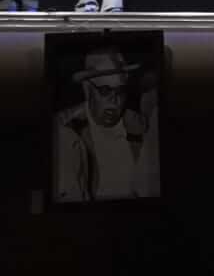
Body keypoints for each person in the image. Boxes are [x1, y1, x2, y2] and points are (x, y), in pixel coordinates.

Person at [54, 47, 160, 201]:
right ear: (87, 89)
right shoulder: (65, 130)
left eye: (120, 90)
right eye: (105, 90)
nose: (115, 100)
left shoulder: (140, 125)